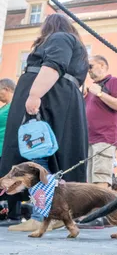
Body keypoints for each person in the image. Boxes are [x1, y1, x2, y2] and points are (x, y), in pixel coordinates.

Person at [0, 13, 89, 232]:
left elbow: (53, 66)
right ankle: (47, 214)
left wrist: (34, 95)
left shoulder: (59, 37)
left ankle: (44, 216)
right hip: (56, 100)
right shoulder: (71, 42)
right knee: (45, 156)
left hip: (48, 101)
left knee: (39, 156)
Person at [85, 55, 117, 189]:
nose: (89, 70)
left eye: (90, 66)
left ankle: (101, 210)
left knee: (100, 179)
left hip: (104, 138)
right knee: (90, 181)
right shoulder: (92, 89)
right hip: (90, 139)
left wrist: (100, 94)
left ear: (102, 65)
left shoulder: (113, 81)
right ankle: (94, 210)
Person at [0, 79, 20, 227]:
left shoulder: (15, 106)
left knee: (11, 181)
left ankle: (14, 215)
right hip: (1, 148)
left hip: (8, 149)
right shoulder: (5, 107)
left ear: (7, 89)